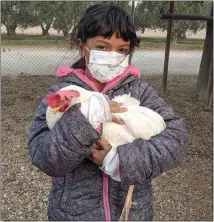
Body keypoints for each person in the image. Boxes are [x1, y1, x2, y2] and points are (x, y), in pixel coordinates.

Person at [28, 4, 187, 221]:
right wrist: (85, 117)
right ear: (82, 47)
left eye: (122, 50)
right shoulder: (63, 92)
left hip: (131, 213)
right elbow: (45, 157)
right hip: (73, 214)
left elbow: (176, 139)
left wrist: (119, 160)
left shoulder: (139, 91)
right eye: (102, 47)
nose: (112, 55)